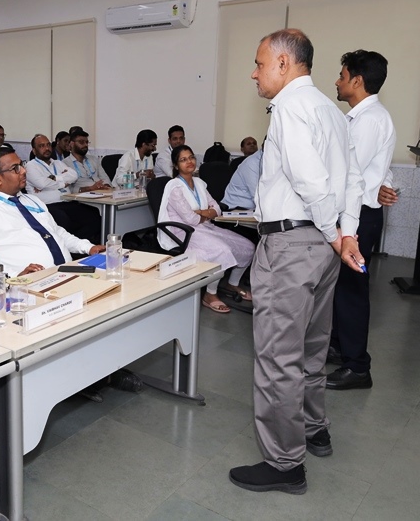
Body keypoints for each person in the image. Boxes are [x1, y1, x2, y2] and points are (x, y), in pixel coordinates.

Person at [229, 29, 365, 495]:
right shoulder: (331, 110)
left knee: (277, 358)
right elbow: (353, 181)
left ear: (284, 64)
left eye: (259, 63)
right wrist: (345, 234)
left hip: (292, 246)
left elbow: (310, 181)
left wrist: (333, 233)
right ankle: (314, 429)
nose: (254, 73)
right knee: (311, 348)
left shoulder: (289, 107)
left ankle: (285, 464)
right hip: (323, 249)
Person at [327, 50, 396, 390]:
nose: (337, 82)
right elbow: (378, 168)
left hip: (359, 217)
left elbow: (348, 173)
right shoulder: (361, 117)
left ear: (357, 80)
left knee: (352, 291)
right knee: (341, 288)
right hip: (357, 213)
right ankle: (340, 347)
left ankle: (357, 367)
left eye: (342, 76)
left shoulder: (370, 120)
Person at [0, 147, 105, 277]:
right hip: (26, 284)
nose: (24, 171)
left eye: (22, 164)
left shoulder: (33, 200)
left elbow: (56, 232)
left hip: (66, 273)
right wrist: (16, 276)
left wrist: (88, 247)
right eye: (15, 168)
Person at [158, 145, 254, 313]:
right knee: (221, 250)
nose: (189, 161)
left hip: (205, 227)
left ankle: (232, 283)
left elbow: (217, 208)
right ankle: (210, 294)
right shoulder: (175, 187)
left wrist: (202, 213)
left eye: (191, 157)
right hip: (184, 232)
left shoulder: (199, 183)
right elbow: (190, 219)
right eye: (183, 159)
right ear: (176, 166)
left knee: (248, 246)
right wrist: (206, 213)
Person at [25, 133, 101, 243]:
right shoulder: (31, 166)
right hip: (47, 205)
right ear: (34, 150)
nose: (46, 148)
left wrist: (54, 178)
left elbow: (74, 175)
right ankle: (69, 245)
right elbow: (42, 184)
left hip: (66, 201)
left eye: (48, 145)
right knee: (63, 219)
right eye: (41, 146)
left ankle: (77, 244)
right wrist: (63, 182)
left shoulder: (57, 163)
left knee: (94, 214)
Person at [63, 129, 111, 193]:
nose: (85, 145)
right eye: (81, 142)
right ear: (72, 144)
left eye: (87, 142)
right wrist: (90, 188)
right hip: (82, 196)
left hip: (102, 192)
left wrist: (105, 185)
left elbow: (105, 178)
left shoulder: (94, 159)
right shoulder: (65, 164)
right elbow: (69, 189)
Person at [222, 147, 263, 211]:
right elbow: (258, 197)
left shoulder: (271, 161)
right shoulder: (252, 163)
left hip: (254, 210)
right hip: (237, 209)